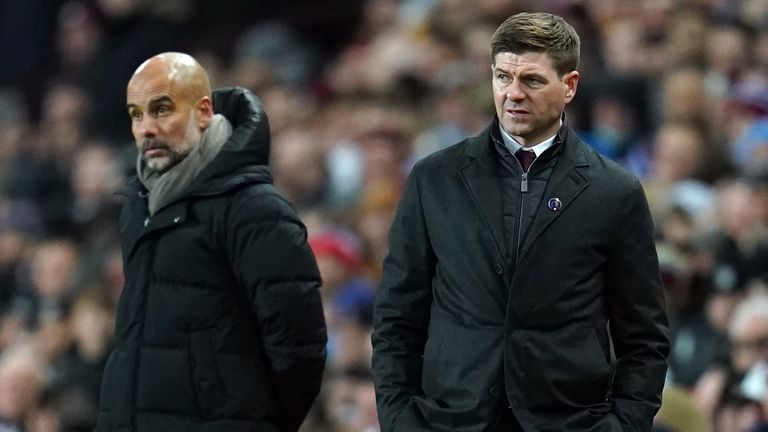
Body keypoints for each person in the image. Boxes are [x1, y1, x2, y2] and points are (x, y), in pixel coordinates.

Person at [371, 12, 670, 432]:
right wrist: (400, 419)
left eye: (531, 80)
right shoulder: (434, 179)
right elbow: (397, 318)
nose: (513, 94)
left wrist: (623, 424)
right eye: (502, 77)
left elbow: (644, 337)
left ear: (569, 86)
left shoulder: (614, 191)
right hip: (449, 422)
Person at [95, 52, 327, 432]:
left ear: (203, 112)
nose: (146, 128)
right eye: (136, 115)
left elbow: (299, 348)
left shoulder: (255, 208)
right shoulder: (137, 207)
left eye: (161, 109)